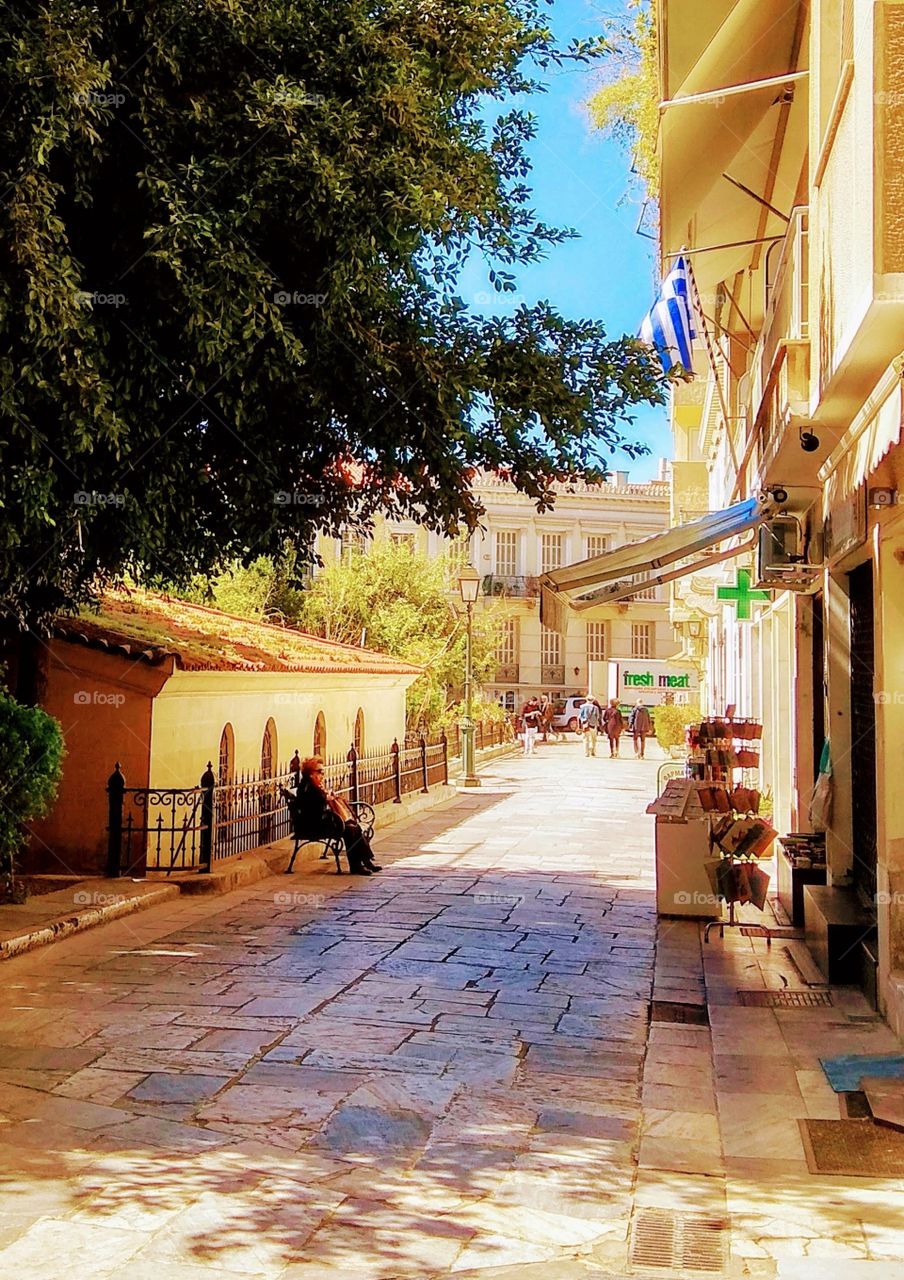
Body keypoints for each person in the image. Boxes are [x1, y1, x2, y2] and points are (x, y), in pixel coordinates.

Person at [282, 757, 381, 874]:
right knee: (351, 829)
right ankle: (357, 866)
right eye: (319, 772)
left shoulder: (313, 786)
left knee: (354, 826)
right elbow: (315, 807)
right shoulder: (307, 787)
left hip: (320, 822)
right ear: (310, 774)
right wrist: (326, 796)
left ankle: (365, 861)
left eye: (323, 772)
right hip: (313, 826)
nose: (322, 775)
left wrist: (326, 795)